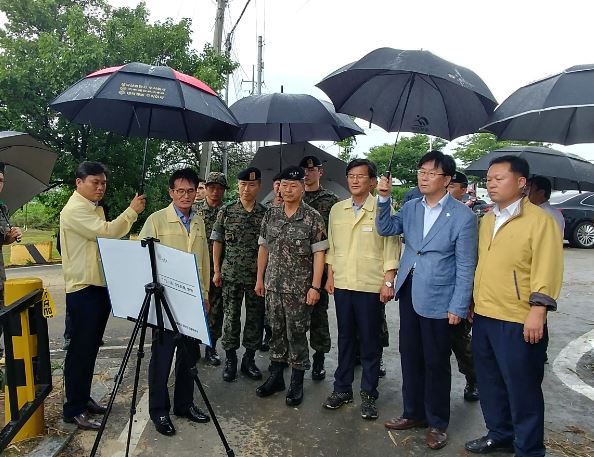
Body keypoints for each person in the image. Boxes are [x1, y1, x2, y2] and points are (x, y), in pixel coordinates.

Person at [376, 150, 477, 450]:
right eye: (421, 170)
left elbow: (466, 264)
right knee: (410, 357)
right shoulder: (410, 207)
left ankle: (437, 422)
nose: (423, 176)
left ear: (447, 180)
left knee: (436, 363)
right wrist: (383, 198)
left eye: (431, 172)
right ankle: (413, 413)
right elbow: (386, 228)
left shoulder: (463, 216)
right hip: (409, 292)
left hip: (439, 298)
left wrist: (459, 305)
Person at [465, 156, 563, 457]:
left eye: (499, 178)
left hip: (518, 318)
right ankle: (500, 434)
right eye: (489, 179)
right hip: (484, 314)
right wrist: (472, 300)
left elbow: (548, 266)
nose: (491, 184)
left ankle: (529, 449)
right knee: (490, 381)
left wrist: (538, 309)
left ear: (521, 183)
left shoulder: (539, 220)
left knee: (523, 388)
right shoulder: (488, 219)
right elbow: (483, 264)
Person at [61, 161, 145, 430]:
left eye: (103, 183)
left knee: (90, 348)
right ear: (79, 183)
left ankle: (83, 399)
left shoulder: (91, 209)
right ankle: (73, 408)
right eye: (94, 182)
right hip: (83, 289)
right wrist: (131, 212)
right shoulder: (75, 210)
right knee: (79, 351)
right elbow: (107, 233)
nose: (100, 187)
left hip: (97, 288)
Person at [322, 158, 400, 420]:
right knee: (345, 338)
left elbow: (391, 247)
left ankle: (368, 392)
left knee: (370, 341)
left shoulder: (382, 209)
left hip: (370, 284)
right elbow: (332, 247)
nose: (355, 180)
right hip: (343, 282)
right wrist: (330, 276)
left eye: (361, 176)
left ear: (373, 181)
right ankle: (342, 388)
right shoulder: (337, 210)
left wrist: (388, 281)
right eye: (351, 175)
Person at [140, 168, 211, 437]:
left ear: (196, 192)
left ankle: (184, 404)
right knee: (162, 357)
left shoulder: (199, 221)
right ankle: (159, 411)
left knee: (189, 356)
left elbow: (203, 260)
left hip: (192, 299)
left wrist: (205, 295)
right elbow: (144, 260)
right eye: (179, 191)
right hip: (164, 301)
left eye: (190, 191)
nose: (185, 196)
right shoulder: (156, 220)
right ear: (171, 192)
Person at [255, 166, 328, 406]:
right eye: (284, 185)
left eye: (293, 185)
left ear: (302, 188)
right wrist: (259, 278)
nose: (288, 190)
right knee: (275, 331)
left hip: (299, 289)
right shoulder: (271, 214)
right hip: (273, 286)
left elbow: (320, 254)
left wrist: (315, 287)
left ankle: (297, 380)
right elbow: (264, 247)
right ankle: (276, 375)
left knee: (296, 335)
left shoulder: (312, 218)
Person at [211, 167, 267, 383]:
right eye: (243, 184)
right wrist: (216, 270)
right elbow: (217, 241)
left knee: (255, 319)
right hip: (230, 275)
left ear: (258, 187)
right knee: (231, 318)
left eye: (251, 185)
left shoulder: (265, 213)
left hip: (256, 278)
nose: (246, 189)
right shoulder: (226, 211)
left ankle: (249, 360)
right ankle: (231, 360)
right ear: (238, 186)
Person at [299, 155, 339, 381]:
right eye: (304, 169)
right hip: (293, 268)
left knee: (319, 316)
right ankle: (294, 358)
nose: (307, 173)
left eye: (312, 169)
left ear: (320, 172)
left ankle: (319, 358)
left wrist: (329, 274)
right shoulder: (291, 197)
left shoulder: (330, 201)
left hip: (320, 269)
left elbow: (334, 238)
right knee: (294, 317)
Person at [446, 171, 479, 401]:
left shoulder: (469, 217)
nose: (448, 189)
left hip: (459, 291)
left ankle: (472, 379)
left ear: (463, 189)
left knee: (461, 343)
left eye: (452, 185)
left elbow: (471, 261)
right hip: (436, 292)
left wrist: (468, 297)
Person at [193, 172, 228, 366]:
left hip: (218, 269)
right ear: (205, 188)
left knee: (215, 310)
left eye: (219, 188)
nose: (215, 192)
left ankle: (211, 346)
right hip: (196, 266)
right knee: (195, 307)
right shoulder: (194, 209)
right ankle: (191, 346)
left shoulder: (228, 210)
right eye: (212, 187)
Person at [0, 163, 23, 359]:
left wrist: (10, 236)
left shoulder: (2, 208)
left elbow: (2, 241)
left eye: (0, 181)